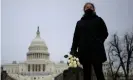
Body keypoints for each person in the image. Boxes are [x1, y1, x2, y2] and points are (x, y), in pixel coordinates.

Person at [70, 2, 108, 80]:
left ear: (94, 9)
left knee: (99, 73)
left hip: (96, 51)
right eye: (87, 7)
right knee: (86, 75)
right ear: (84, 9)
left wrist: (99, 42)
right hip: (84, 51)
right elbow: (76, 37)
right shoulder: (80, 23)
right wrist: (73, 49)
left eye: (90, 7)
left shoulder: (99, 20)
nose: (88, 8)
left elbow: (105, 33)